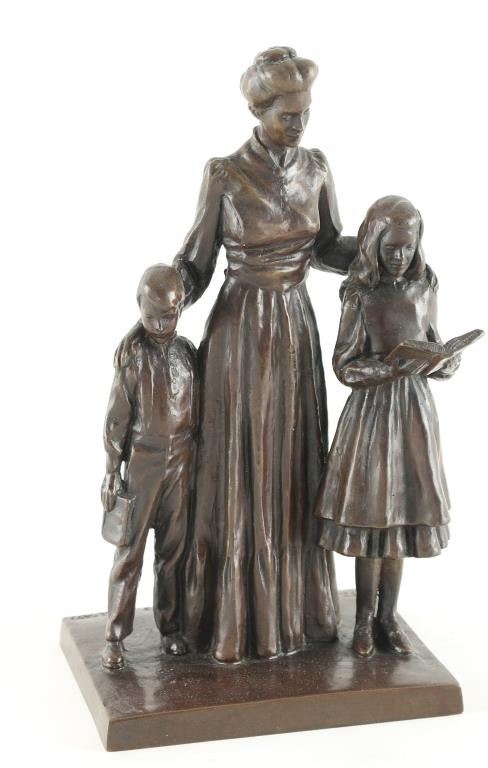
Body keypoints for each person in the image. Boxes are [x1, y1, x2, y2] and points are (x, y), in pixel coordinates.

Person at [117, 47, 357, 662]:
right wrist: (161, 305)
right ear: (258, 110)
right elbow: (195, 264)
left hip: (295, 327)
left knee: (293, 463)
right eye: (286, 115)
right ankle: (228, 617)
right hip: (241, 333)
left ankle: (295, 615)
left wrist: (383, 253)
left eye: (305, 112)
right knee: (238, 469)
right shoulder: (225, 174)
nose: (299, 124)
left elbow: (329, 246)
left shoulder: (317, 167)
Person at [314, 196, 460, 658]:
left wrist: (445, 361)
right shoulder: (361, 295)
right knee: (372, 521)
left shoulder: (424, 286)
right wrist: (387, 368)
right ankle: (362, 620)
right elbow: (344, 364)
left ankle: (388, 618)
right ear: (373, 243)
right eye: (390, 247)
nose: (399, 256)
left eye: (407, 247)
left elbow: (433, 343)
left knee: (401, 520)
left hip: (413, 413)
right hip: (373, 415)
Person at [101, 264, 198, 669]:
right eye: (151, 316)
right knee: (130, 552)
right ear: (139, 309)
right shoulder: (133, 359)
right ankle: (114, 636)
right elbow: (116, 421)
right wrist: (112, 469)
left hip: (183, 462)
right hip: (143, 461)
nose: (160, 325)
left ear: (181, 308)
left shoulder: (188, 354)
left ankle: (171, 628)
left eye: (169, 315)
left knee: (174, 551)